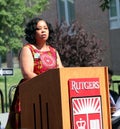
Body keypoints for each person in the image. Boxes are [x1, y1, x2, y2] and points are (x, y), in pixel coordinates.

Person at [5, 17, 63, 129]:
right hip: (31, 95)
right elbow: (27, 73)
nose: (43, 31)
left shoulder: (53, 51)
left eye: (45, 28)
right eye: (39, 28)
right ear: (33, 32)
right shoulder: (28, 49)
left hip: (51, 95)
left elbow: (61, 71)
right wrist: (47, 85)